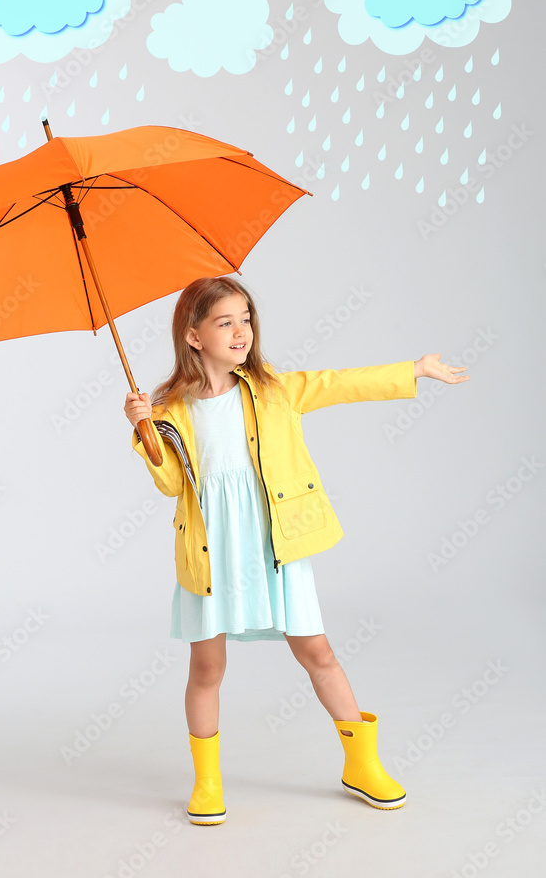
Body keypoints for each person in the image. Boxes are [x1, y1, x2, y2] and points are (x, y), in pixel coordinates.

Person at [124, 276, 469, 825]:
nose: (242, 331)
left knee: (318, 652)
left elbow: (337, 383)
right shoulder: (169, 408)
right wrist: (144, 429)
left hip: (272, 542)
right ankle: (207, 782)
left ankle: (362, 764)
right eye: (225, 322)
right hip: (213, 550)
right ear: (193, 336)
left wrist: (414, 370)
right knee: (207, 666)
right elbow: (171, 484)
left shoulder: (273, 390)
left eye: (246, 318)